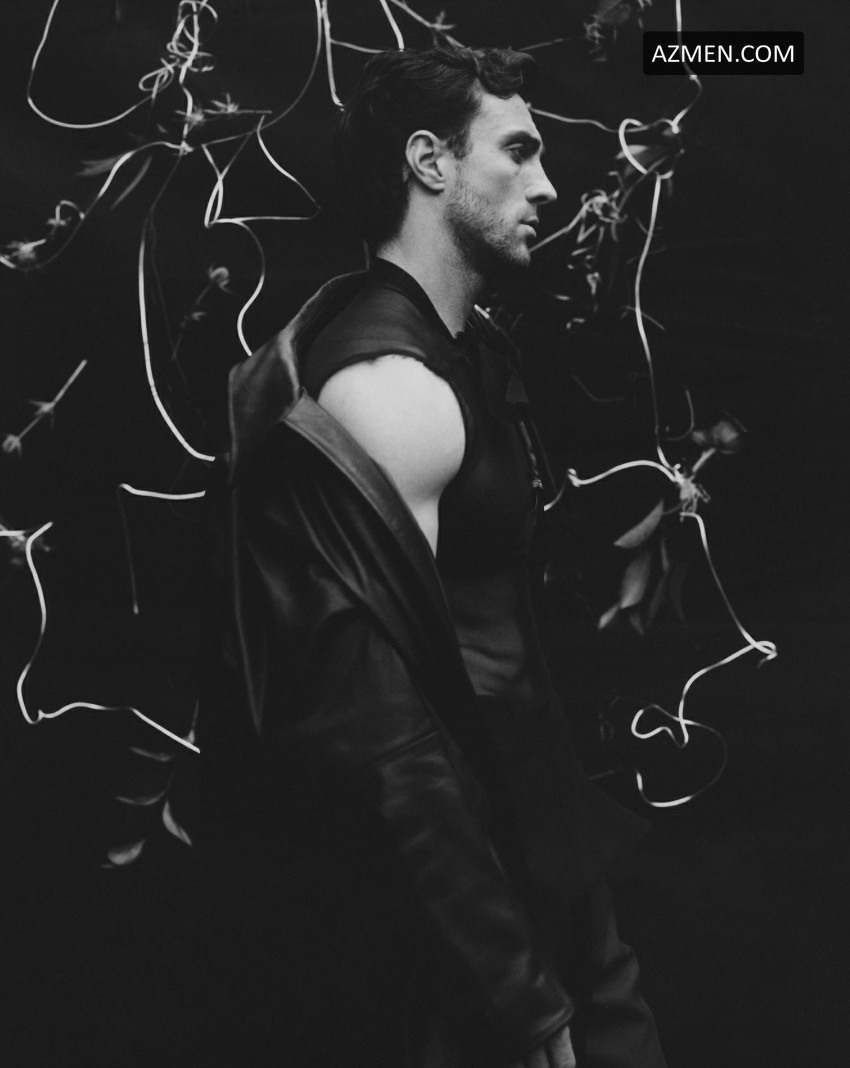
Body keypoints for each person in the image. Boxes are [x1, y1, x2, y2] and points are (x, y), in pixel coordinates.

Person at [203, 46, 668, 1068]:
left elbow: (476, 606)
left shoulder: (466, 354)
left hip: (544, 855)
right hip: (466, 901)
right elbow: (375, 724)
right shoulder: (389, 389)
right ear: (429, 161)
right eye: (519, 151)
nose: (548, 186)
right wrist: (512, 986)